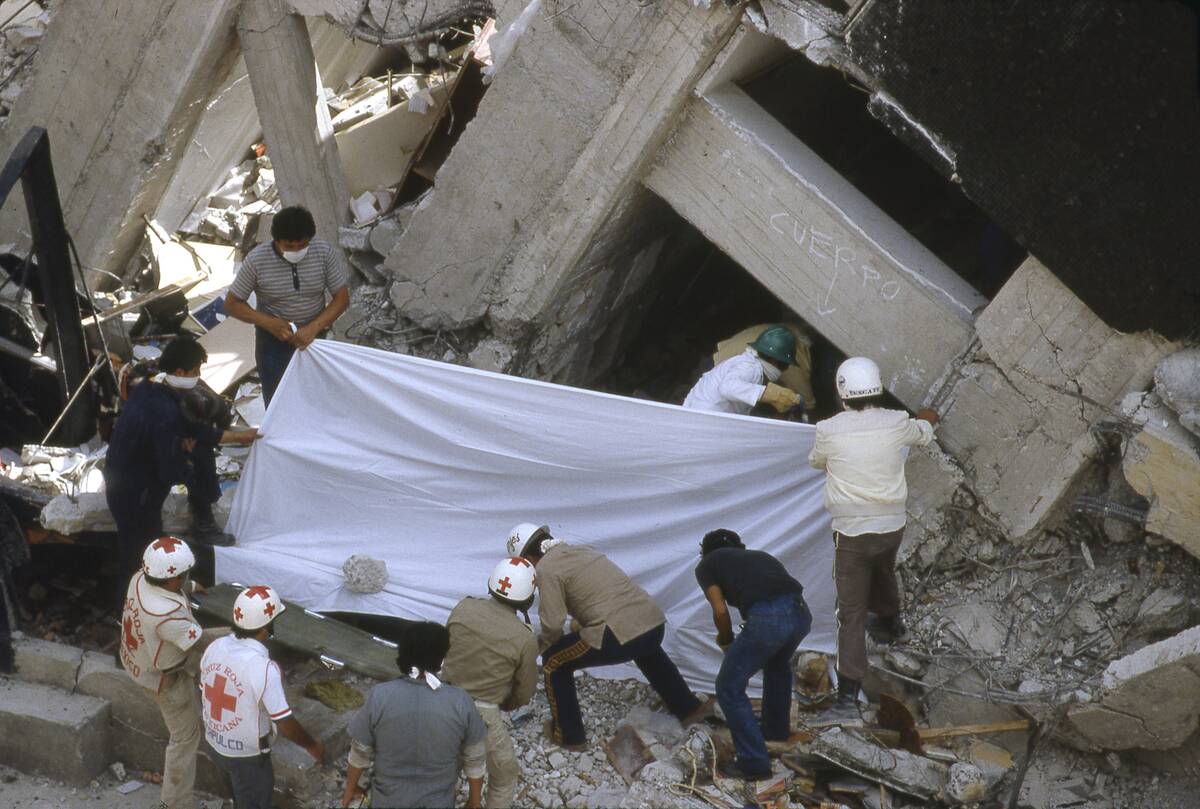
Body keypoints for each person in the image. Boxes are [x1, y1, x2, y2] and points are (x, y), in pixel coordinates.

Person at [808, 356, 938, 724]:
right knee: (884, 567)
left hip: (852, 531)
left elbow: (817, 462)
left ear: (841, 391)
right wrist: (929, 417)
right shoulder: (897, 422)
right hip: (892, 526)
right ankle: (891, 623)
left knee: (849, 615)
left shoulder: (828, 430)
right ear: (878, 386)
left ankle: (847, 699)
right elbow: (924, 432)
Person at [506, 523, 714, 751]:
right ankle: (687, 707)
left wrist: (535, 649)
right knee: (646, 650)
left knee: (555, 662)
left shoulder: (546, 568)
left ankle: (568, 735)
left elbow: (553, 625)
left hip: (618, 633)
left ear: (528, 557)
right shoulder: (582, 551)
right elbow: (599, 597)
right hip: (652, 623)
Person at [104, 338, 257, 598]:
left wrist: (239, 437)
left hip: (121, 479)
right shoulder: (165, 413)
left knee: (139, 550)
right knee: (139, 559)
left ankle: (140, 608)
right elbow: (170, 471)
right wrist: (185, 462)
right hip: (138, 493)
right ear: (180, 373)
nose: (198, 378)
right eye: (196, 372)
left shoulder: (149, 389)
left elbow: (194, 430)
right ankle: (131, 614)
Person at [118, 536, 227, 809]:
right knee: (185, 737)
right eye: (183, 575)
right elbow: (199, 642)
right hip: (166, 675)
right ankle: (174, 803)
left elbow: (166, 589)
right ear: (170, 581)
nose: (186, 577)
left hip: (138, 657)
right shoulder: (167, 615)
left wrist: (187, 587)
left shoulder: (139, 579)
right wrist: (241, 635)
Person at [695, 529, 811, 780]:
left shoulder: (707, 565)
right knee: (778, 665)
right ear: (740, 546)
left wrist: (726, 640)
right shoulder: (762, 556)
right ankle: (775, 732)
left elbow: (720, 611)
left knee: (728, 687)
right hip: (801, 613)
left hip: (768, 619)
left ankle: (753, 761)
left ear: (705, 552)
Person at [200, 585, 324, 808]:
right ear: (266, 627)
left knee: (239, 799)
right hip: (248, 758)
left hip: (214, 744)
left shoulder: (215, 647)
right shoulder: (263, 668)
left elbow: (202, 686)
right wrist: (312, 745)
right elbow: (285, 722)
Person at [343, 621, 487, 808]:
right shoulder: (460, 701)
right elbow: (475, 759)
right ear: (441, 658)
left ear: (403, 654)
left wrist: (350, 790)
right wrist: (474, 802)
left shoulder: (380, 696)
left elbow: (360, 752)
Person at [224, 205, 350, 405]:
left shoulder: (323, 252)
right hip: (273, 341)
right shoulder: (257, 259)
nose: (297, 251)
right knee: (278, 399)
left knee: (317, 395)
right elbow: (232, 304)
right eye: (289, 246)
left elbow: (341, 298)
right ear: (276, 240)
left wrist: (313, 328)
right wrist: (268, 323)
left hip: (315, 335)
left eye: (303, 245)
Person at [442, 558, 540, 808]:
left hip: (443, 699)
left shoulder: (463, 607)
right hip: (482, 712)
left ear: (491, 585)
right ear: (528, 599)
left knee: (443, 769)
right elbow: (524, 691)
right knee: (505, 775)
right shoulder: (524, 638)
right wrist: (503, 703)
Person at [683, 325, 805, 415]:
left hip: (699, 415)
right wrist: (766, 393)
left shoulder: (749, 363)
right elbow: (727, 388)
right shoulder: (750, 368)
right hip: (704, 417)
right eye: (784, 366)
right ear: (775, 361)